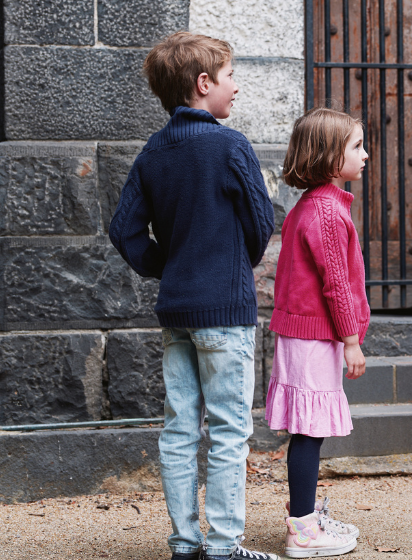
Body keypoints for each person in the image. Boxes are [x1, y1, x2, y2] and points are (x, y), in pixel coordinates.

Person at [109, 31, 278, 560]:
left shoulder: (153, 153)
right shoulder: (230, 145)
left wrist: (169, 266)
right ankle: (225, 549)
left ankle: (186, 545)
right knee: (229, 430)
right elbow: (260, 222)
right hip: (224, 311)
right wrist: (233, 262)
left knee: (179, 428)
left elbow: (124, 230)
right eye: (230, 77)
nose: (236, 87)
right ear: (203, 84)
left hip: (177, 311)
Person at [266, 107, 371, 558]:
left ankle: (304, 514)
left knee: (308, 431)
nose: (365, 155)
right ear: (330, 158)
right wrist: (351, 341)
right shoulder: (326, 213)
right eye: (356, 147)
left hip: (303, 334)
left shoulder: (313, 206)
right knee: (308, 433)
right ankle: (304, 531)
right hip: (314, 337)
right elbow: (337, 284)